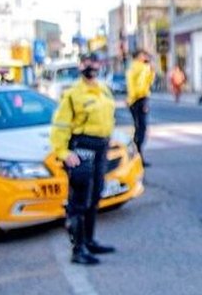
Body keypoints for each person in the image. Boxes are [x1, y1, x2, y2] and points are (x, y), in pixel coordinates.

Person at [50, 53, 116, 265]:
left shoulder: (103, 89)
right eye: (87, 63)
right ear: (80, 66)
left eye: (94, 62)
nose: (91, 66)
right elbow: (60, 126)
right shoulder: (72, 94)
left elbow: (108, 117)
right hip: (82, 149)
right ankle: (78, 250)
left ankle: (89, 241)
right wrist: (63, 152)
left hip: (101, 148)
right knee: (79, 201)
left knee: (95, 196)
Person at [126, 49, 155, 165]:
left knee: (139, 127)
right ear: (138, 56)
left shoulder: (133, 67)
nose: (146, 57)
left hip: (135, 99)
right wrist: (141, 99)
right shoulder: (140, 67)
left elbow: (145, 82)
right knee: (141, 129)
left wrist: (151, 71)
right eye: (144, 55)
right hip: (139, 99)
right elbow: (143, 84)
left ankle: (136, 156)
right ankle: (137, 156)